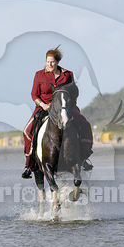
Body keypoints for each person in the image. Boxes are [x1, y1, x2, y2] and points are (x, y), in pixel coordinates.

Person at [21, 47, 93, 178]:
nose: (49, 64)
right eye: (48, 62)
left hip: (66, 107)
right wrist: (43, 105)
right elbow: (34, 95)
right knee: (27, 131)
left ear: (58, 62)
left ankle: (84, 157)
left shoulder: (68, 75)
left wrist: (69, 103)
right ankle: (29, 165)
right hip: (45, 108)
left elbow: (74, 91)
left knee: (85, 124)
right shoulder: (39, 75)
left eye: (52, 62)